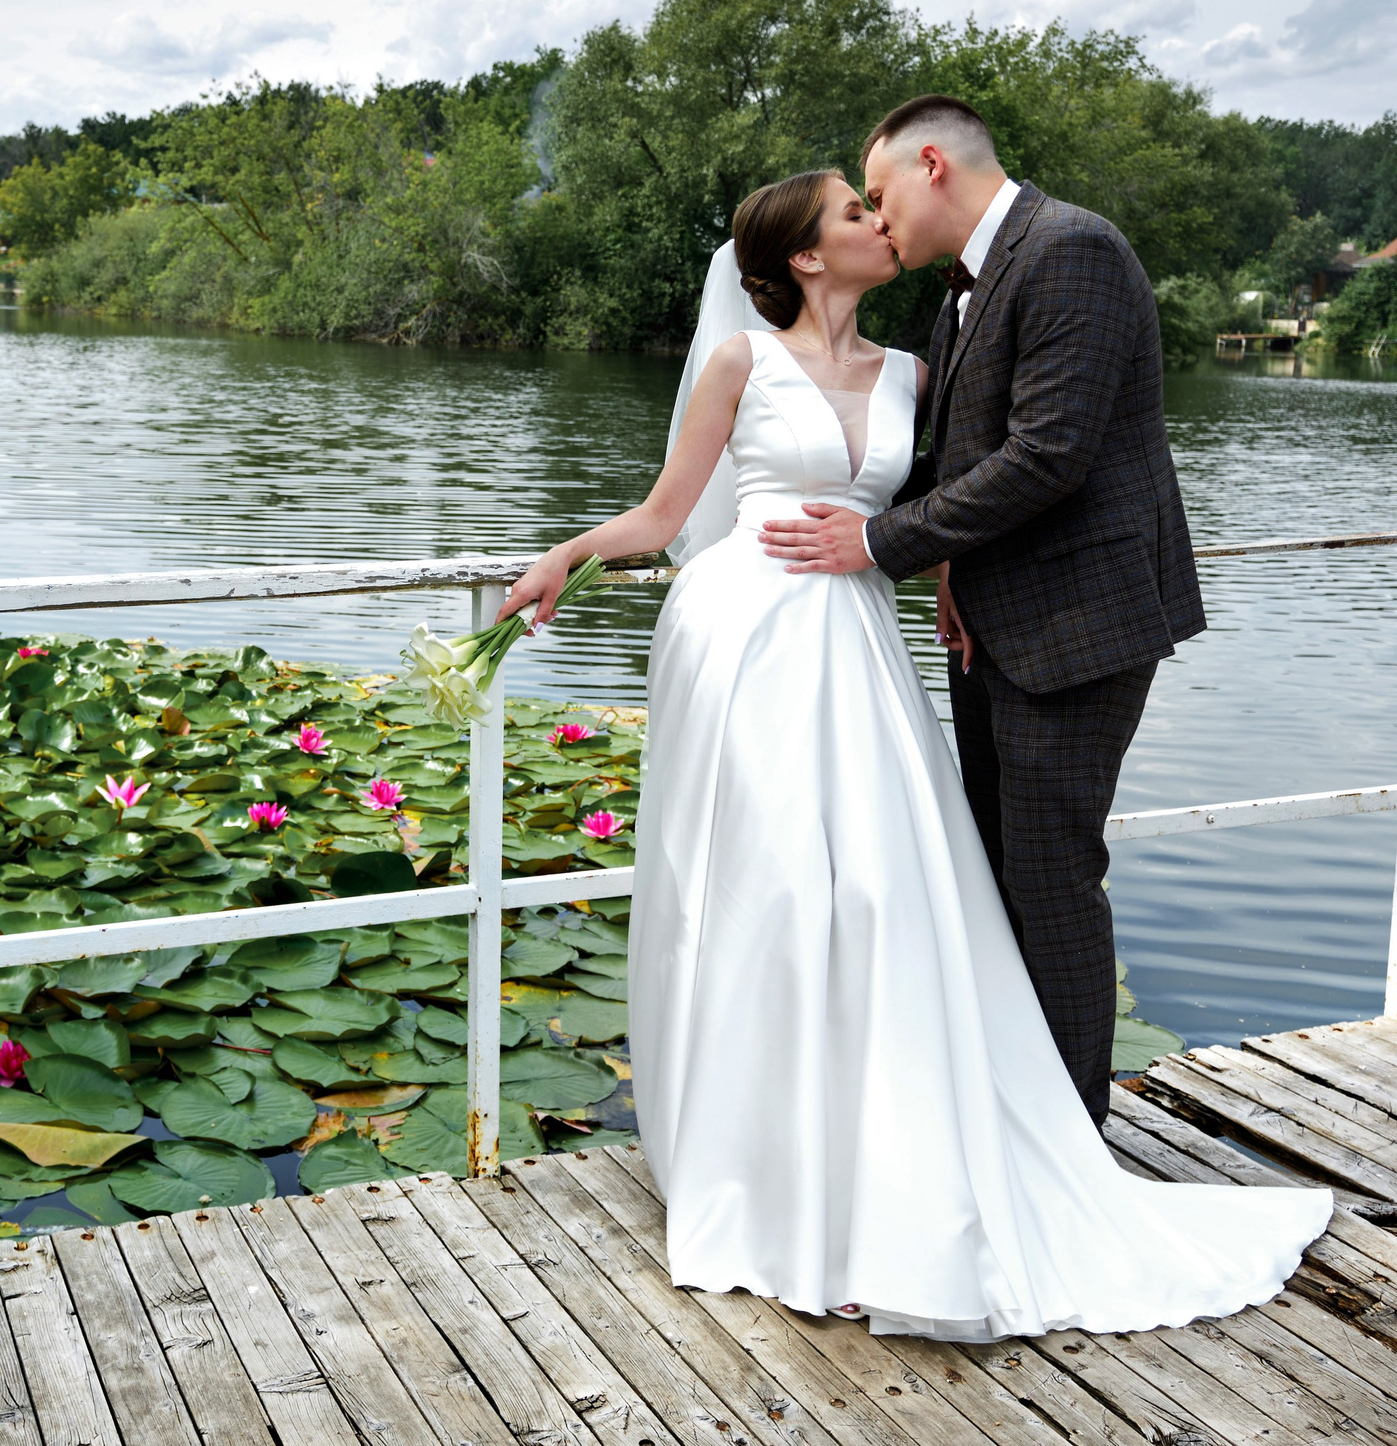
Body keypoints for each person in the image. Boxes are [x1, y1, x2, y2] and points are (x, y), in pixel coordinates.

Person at [497, 159, 1327, 1341]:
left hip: (852, 642)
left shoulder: (917, 365)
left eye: (874, 204)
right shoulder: (736, 360)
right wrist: (563, 559)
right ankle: (766, 1178)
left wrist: (944, 581)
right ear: (800, 255)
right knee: (769, 894)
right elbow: (664, 516)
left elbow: (966, 487)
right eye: (853, 214)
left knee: (878, 894)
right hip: (740, 639)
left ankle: (879, 1183)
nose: (876, 224)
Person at [758, 94, 1203, 1127]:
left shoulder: (1069, 251)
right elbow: (970, 453)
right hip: (994, 622)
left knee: (1050, 886)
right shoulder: (963, 291)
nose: (878, 220)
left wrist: (877, 542)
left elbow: (1047, 454)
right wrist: (952, 575)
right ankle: (1015, 1118)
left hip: (1078, 628)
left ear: (930, 166)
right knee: (999, 880)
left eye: (878, 196)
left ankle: (1070, 1145)